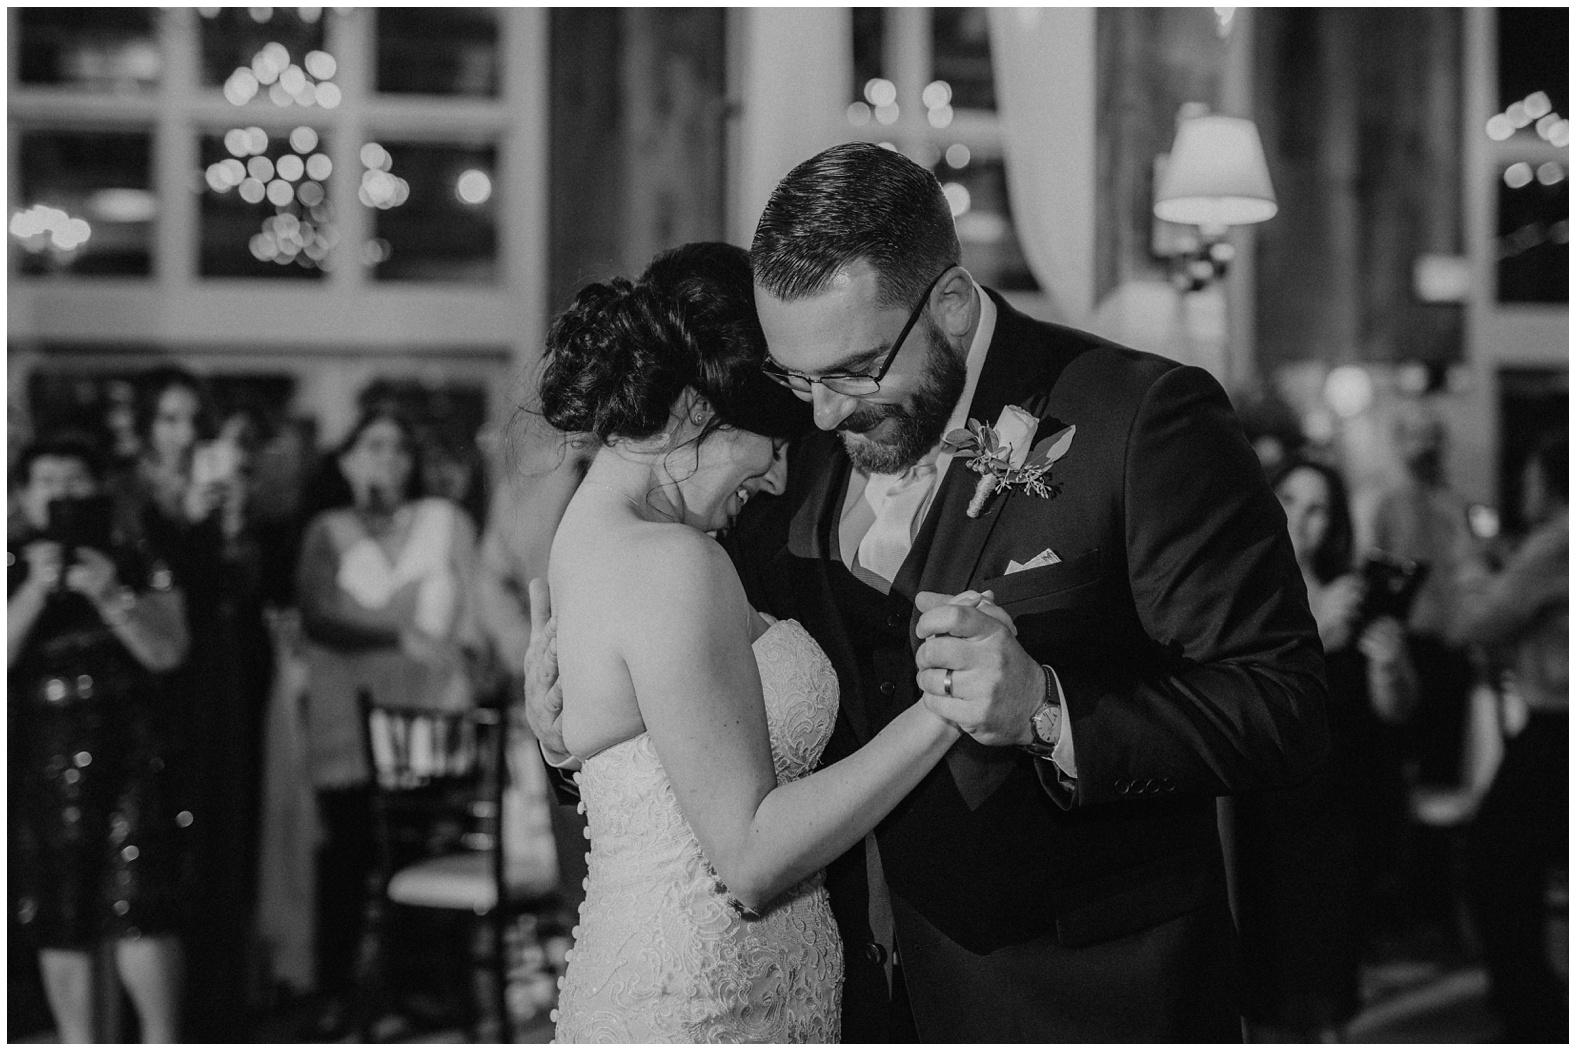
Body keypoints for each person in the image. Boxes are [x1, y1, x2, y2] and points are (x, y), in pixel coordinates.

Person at [530, 143, 1329, 1041]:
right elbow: (720, 711)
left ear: (948, 303)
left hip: (1082, 999)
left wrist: (1048, 711)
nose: (824, 412)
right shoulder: (795, 441)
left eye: (856, 372)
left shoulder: (1139, 419)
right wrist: (587, 733)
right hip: (850, 1005)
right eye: (801, 379)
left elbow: (1283, 703)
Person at [538, 241, 995, 1042]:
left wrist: (565, 738)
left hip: (769, 981)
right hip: (712, 1005)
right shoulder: (677, 557)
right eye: (775, 441)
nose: (783, 476)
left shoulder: (594, 530)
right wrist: (946, 707)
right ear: (695, 408)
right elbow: (746, 854)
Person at [293, 407, 484, 1034]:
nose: (388, 458)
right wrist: (399, 635)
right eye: (373, 445)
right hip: (350, 720)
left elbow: (475, 607)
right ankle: (344, 994)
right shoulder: (327, 529)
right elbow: (317, 616)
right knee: (350, 861)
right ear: (345, 459)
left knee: (428, 852)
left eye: (399, 447)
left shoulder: (445, 521)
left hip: (435, 721)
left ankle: (426, 995)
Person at [8, 433, 192, 1042]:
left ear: (99, 492)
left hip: (134, 753)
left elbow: (168, 652)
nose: (60, 494)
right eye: (46, 482)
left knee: (142, 911)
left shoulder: (137, 559)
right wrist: (36, 589)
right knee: (60, 915)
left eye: (74, 480)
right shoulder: (12, 566)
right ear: (24, 497)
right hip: (41, 759)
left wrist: (109, 591)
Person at [1231, 458, 1418, 1040]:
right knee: (1265, 978)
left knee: (1329, 974)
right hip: (1261, 803)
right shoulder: (1240, 589)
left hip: (1340, 800)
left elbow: (1398, 710)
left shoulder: (1351, 592)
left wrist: (1389, 665)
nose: (1302, 520)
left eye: (1319, 509)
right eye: (1291, 500)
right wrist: (1316, 630)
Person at [119, 366, 270, 1038]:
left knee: (216, 823)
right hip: (152, 674)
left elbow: (241, 588)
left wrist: (232, 521)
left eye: (190, 419)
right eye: (168, 418)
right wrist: (183, 520)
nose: (181, 433)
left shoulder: (216, 481)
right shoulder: (128, 494)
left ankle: (216, 1013)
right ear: (148, 424)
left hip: (215, 666)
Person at [1458, 433, 1568, 1042]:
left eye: (1529, 475)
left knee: (1494, 863)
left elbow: (1481, 621)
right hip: (1556, 727)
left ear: (1550, 480)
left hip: (1558, 728)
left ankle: (1532, 1009)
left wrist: (1472, 561)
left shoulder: (1557, 540)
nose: (1522, 487)